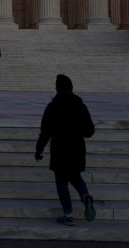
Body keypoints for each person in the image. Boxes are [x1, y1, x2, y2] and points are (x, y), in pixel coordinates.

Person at [35, 74, 97, 226]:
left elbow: (45, 132)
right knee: (75, 176)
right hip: (77, 148)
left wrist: (39, 150)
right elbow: (89, 131)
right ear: (71, 88)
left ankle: (68, 215)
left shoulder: (52, 107)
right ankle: (85, 195)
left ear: (57, 89)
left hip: (60, 149)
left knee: (62, 182)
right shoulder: (80, 105)